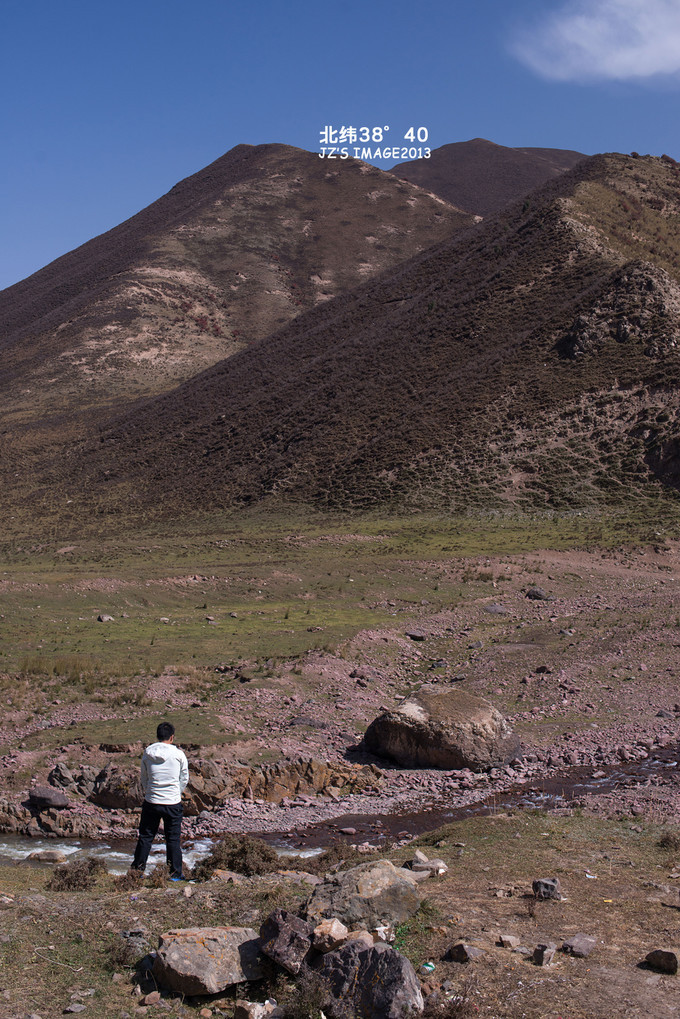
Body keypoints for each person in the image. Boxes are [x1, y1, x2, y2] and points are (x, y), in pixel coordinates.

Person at [131, 721, 189, 880]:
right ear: (172, 737)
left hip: (152, 801)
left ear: (157, 736)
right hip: (172, 802)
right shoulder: (178, 754)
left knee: (146, 837)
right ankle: (175, 874)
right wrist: (176, 793)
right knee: (173, 839)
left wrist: (149, 790)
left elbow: (144, 777)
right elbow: (184, 778)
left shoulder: (148, 752)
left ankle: (137, 872)